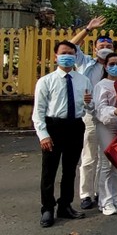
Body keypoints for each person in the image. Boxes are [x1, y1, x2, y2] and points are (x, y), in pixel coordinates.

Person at [32, 40, 93, 228]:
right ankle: (47, 208)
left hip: (75, 126)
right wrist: (43, 135)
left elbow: (89, 107)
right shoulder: (46, 81)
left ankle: (65, 205)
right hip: (54, 127)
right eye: (64, 53)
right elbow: (38, 111)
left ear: (76, 57)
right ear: (55, 56)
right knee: (49, 170)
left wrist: (88, 102)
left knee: (69, 169)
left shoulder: (83, 80)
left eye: (71, 53)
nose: (68, 56)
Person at [69, 16, 111, 211]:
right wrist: (87, 29)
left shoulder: (114, 67)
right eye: (101, 44)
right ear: (94, 48)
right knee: (88, 156)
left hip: (109, 117)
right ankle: (86, 194)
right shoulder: (85, 62)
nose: (104, 46)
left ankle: (103, 192)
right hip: (89, 115)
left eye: (107, 44)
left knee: (107, 158)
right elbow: (69, 45)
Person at [93, 52, 117, 216]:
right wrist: (115, 111)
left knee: (116, 163)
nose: (115, 67)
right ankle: (104, 201)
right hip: (106, 125)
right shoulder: (101, 85)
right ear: (106, 66)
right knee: (107, 163)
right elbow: (99, 108)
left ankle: (113, 197)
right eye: (112, 64)